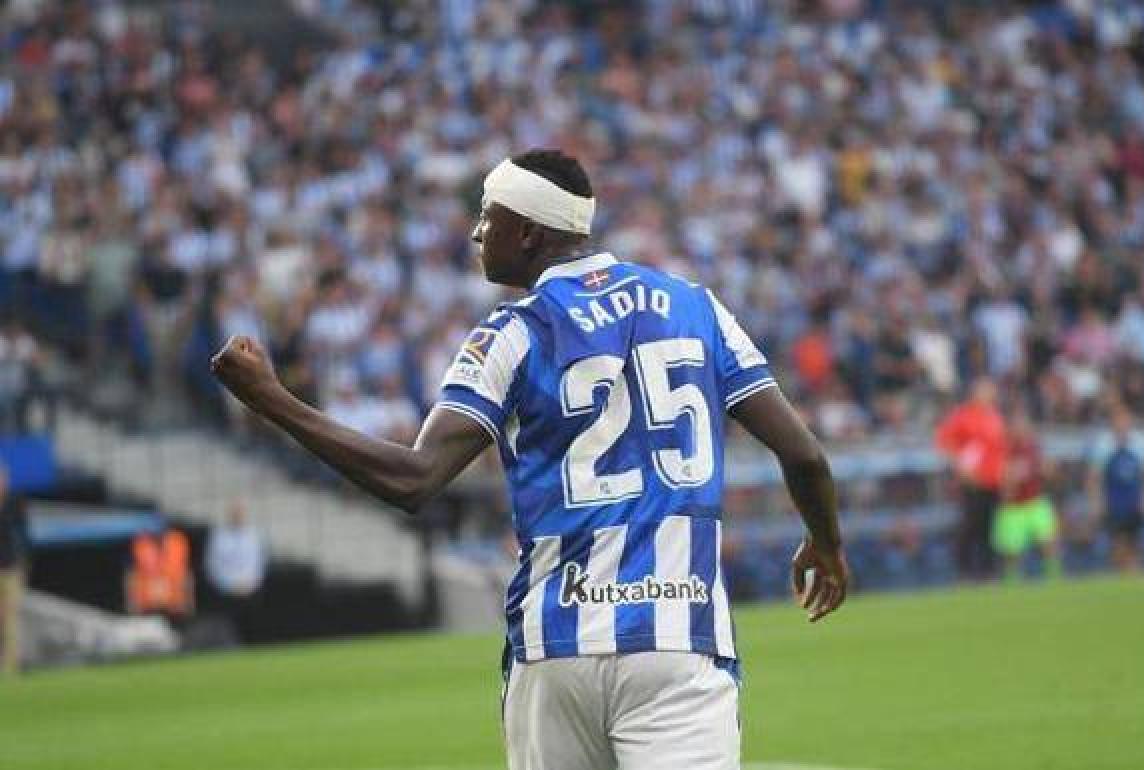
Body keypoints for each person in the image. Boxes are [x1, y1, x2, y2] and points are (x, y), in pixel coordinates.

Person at [211, 148, 850, 770]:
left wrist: (273, 400)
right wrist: (824, 542)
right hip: (678, 637)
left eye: (488, 217)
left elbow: (411, 479)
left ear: (527, 231)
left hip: (556, 647)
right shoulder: (696, 308)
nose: (476, 232)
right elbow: (803, 453)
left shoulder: (511, 332)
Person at [935, 377, 1007, 581]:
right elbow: (945, 442)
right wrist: (961, 468)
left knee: (989, 527)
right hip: (973, 481)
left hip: (993, 481)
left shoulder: (994, 416)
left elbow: (999, 448)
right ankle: (964, 570)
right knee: (970, 525)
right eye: (987, 390)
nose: (991, 394)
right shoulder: (963, 415)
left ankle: (988, 571)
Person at [992, 404, 1062, 583]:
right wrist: (1008, 482)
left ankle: (1055, 578)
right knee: (1012, 553)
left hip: (1034, 502)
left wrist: (1048, 470)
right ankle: (1011, 583)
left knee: (1049, 542)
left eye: (1023, 425)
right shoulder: (1003, 450)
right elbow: (1001, 483)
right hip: (1013, 507)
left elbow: (1049, 471)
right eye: (1016, 425)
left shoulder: (1035, 448)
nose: (1020, 429)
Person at [1086, 404, 1144, 573]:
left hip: (1133, 499)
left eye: (1125, 420)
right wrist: (1096, 502)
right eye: (1118, 421)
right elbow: (1094, 477)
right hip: (1114, 501)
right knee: (1117, 542)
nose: (1122, 424)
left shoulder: (1139, 443)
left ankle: (1135, 574)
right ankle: (1121, 573)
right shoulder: (1104, 445)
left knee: (1135, 541)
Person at [205, 501, 266, 632]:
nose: (238, 516)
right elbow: (213, 565)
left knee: (252, 626)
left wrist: (251, 584)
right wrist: (228, 585)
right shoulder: (220, 536)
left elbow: (258, 563)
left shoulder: (253, 535)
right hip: (227, 591)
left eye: (240, 513)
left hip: (250, 589)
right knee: (229, 626)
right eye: (235, 513)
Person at [0, 463, 30, 675]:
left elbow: (24, 535)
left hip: (10, 568)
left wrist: (24, 563)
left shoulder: (14, 501)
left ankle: (11, 664)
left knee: (11, 618)